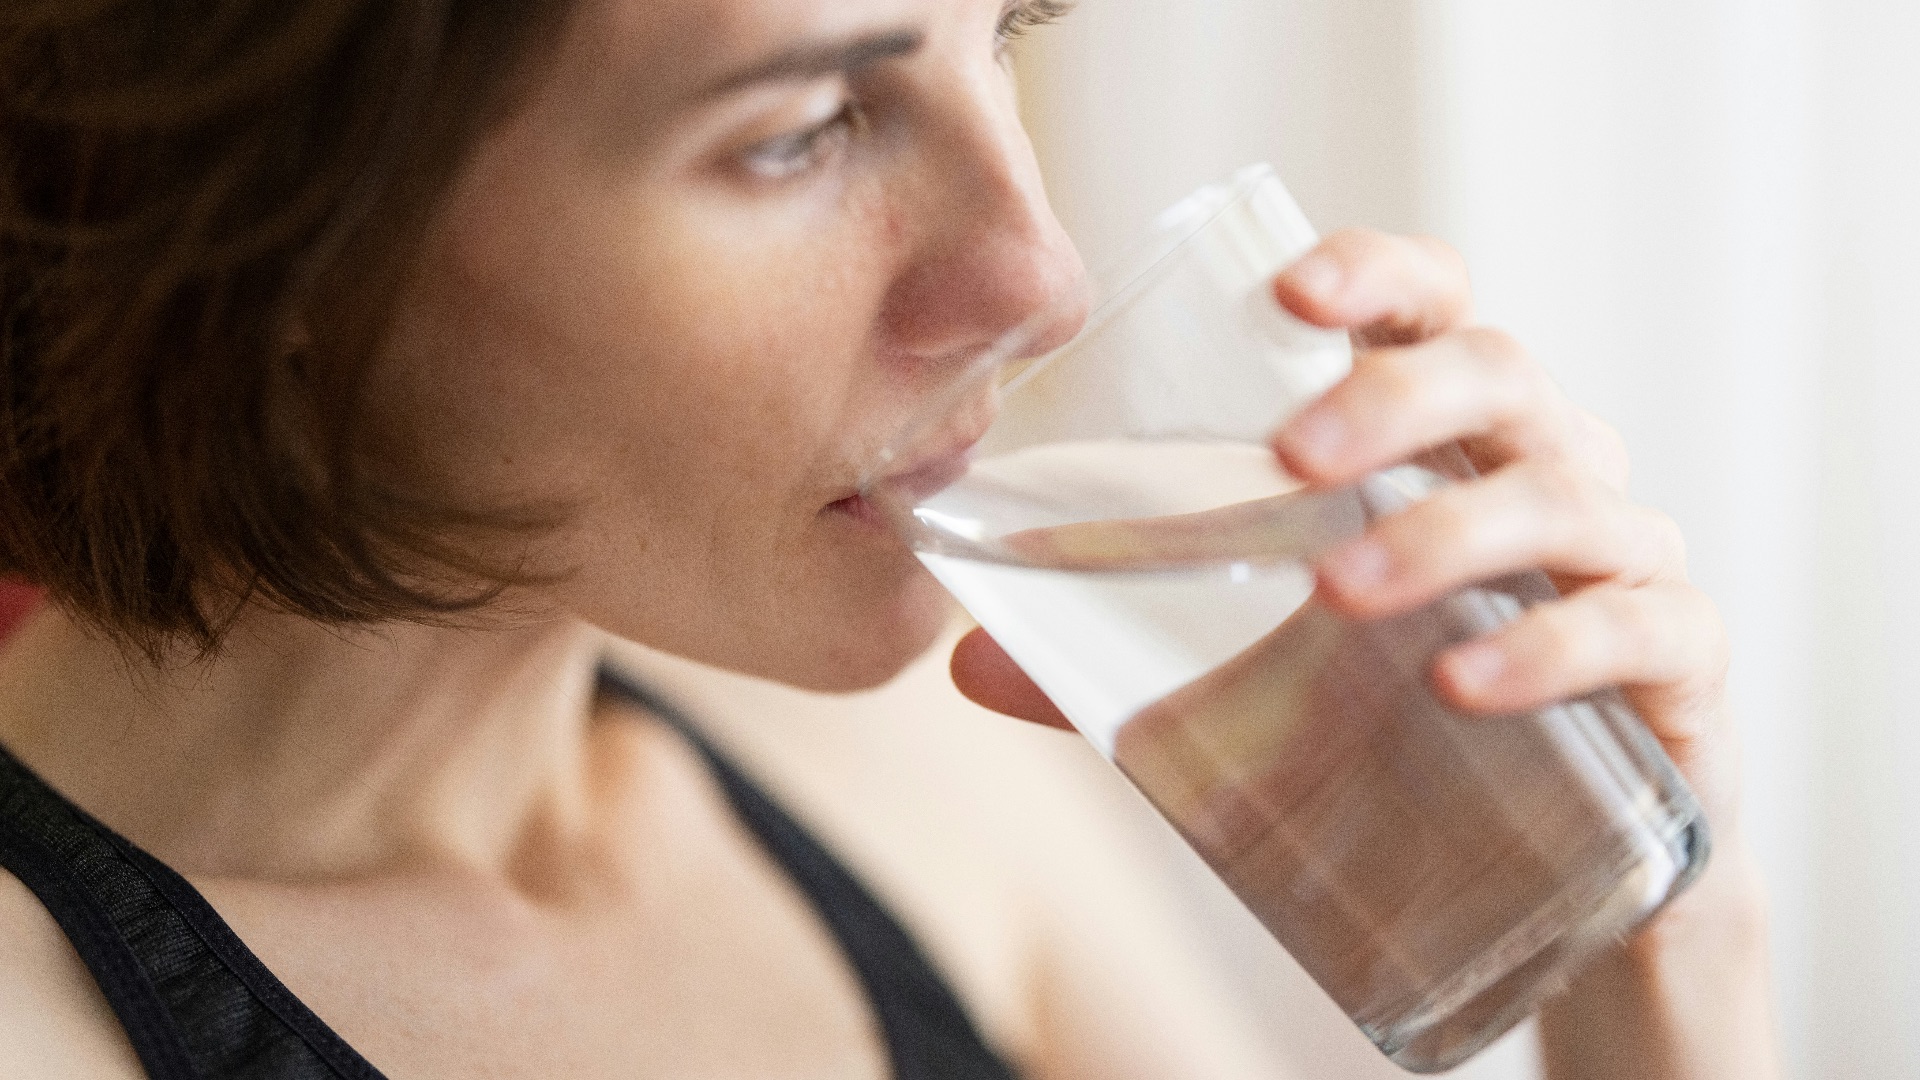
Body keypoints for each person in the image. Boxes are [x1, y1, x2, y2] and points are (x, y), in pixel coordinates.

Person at [0, 0, 1779, 1077]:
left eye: (994, 31)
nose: (1041, 276)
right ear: (261, 241)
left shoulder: (917, 768)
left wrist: (1659, 946)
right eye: (801, 131)